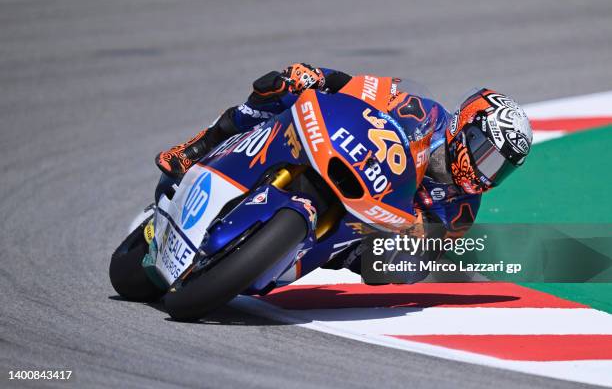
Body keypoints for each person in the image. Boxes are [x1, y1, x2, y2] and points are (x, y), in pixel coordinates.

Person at [155, 63, 533, 281]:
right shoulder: (424, 113)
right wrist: (315, 77)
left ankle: (275, 254)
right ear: (464, 126)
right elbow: (360, 88)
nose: (487, 172)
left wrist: (414, 243)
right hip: (341, 155)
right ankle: (199, 147)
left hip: (356, 231)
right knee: (278, 87)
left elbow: (422, 258)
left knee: (393, 269)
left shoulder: (464, 208)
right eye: (487, 155)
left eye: (500, 168)